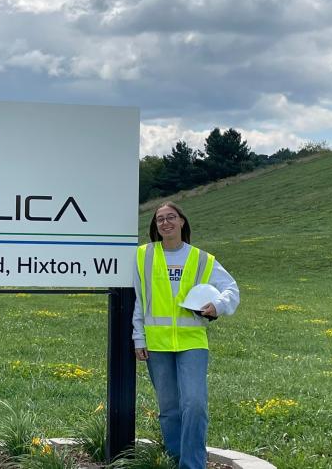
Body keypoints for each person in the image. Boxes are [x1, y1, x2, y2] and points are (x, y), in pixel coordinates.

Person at [132, 201, 239, 469]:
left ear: (182, 221)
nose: (165, 222)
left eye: (171, 217)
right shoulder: (143, 255)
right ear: (155, 226)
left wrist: (218, 306)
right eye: (160, 219)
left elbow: (231, 289)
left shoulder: (202, 258)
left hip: (192, 342)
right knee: (169, 410)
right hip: (157, 344)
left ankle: (192, 465)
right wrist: (138, 338)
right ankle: (176, 458)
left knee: (194, 404)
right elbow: (138, 300)